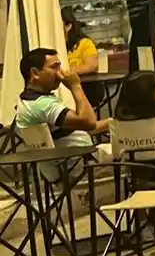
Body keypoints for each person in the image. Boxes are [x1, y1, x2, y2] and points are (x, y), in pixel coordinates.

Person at [14, 48, 108, 179]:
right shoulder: (42, 105)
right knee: (131, 158)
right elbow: (89, 123)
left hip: (74, 162)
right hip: (78, 168)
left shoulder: (29, 100)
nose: (60, 73)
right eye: (54, 67)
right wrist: (76, 86)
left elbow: (77, 127)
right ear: (35, 73)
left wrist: (113, 122)